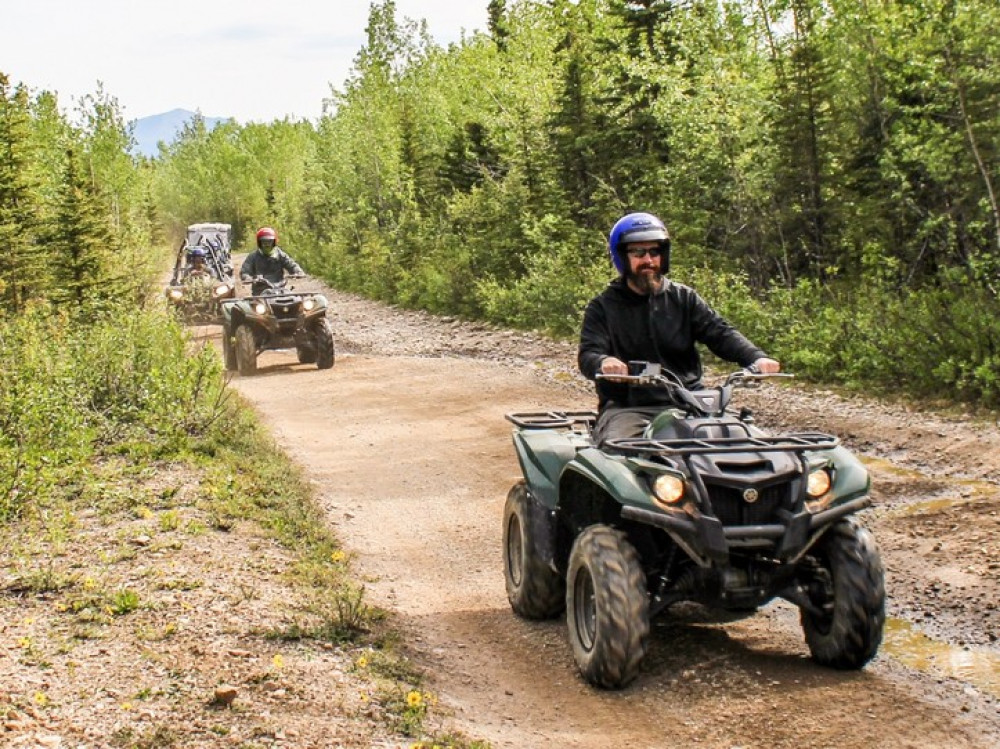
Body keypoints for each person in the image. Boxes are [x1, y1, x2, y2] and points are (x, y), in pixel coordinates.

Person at [578, 211, 780, 446]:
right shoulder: (603, 306)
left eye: (654, 252)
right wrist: (604, 362)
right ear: (622, 256)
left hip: (690, 402)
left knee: (750, 443)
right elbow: (588, 354)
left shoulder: (684, 298)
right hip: (630, 408)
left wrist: (755, 357)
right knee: (621, 453)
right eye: (638, 252)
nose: (648, 260)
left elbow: (720, 333)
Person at [240, 227, 305, 286]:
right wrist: (247, 277)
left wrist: (298, 271)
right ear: (259, 243)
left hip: (280, 288)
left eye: (269, 242)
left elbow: (291, 264)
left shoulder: (280, 254)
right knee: (257, 299)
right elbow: (245, 271)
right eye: (264, 242)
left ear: (274, 242)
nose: (267, 245)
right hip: (260, 291)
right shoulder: (253, 256)